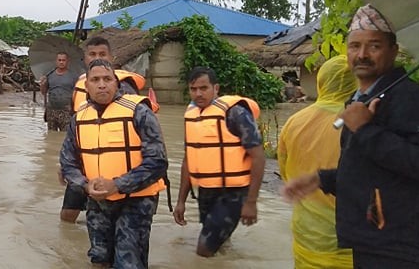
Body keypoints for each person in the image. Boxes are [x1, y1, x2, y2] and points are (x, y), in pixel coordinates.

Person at [282, 4, 419, 268]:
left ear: (393, 51)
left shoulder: (410, 99)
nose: (362, 55)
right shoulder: (359, 102)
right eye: (354, 46)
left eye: (374, 46)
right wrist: (323, 179)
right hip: (366, 241)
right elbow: (371, 173)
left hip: (399, 248)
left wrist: (366, 130)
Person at [60, 59, 168, 268]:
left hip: (136, 200)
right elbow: (67, 161)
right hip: (97, 201)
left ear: (116, 83)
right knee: (99, 259)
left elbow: (158, 162)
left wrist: (117, 185)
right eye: (96, 80)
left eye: (107, 79)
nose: (102, 84)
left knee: (128, 262)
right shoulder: (79, 117)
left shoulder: (139, 111)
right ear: (87, 86)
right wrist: (84, 185)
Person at [59, 36, 156, 223]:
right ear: (85, 58)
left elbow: (141, 136)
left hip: (119, 172)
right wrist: (64, 164)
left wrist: (119, 183)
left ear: (111, 57)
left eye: (102, 54)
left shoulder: (125, 88)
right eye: (92, 54)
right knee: (67, 217)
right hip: (85, 167)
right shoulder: (81, 86)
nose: (96, 58)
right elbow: (76, 129)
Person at [173, 67, 265, 257]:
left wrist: (251, 202)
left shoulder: (235, 113)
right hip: (206, 191)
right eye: (193, 89)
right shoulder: (191, 116)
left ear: (216, 88)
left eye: (203, 88)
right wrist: (180, 201)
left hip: (233, 193)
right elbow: (188, 159)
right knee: (220, 245)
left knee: (204, 250)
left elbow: (258, 156)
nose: (198, 93)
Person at [278, 55, 357, 268]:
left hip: (305, 233)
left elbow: (286, 173)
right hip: (347, 243)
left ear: (321, 82)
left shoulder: (294, 122)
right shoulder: (362, 124)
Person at [40, 52, 80, 132]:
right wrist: (42, 84)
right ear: (56, 61)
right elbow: (43, 92)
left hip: (66, 111)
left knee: (65, 135)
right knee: (51, 135)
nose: (61, 62)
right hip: (51, 110)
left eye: (63, 60)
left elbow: (77, 94)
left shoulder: (74, 76)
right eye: (59, 60)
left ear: (67, 61)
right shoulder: (49, 75)